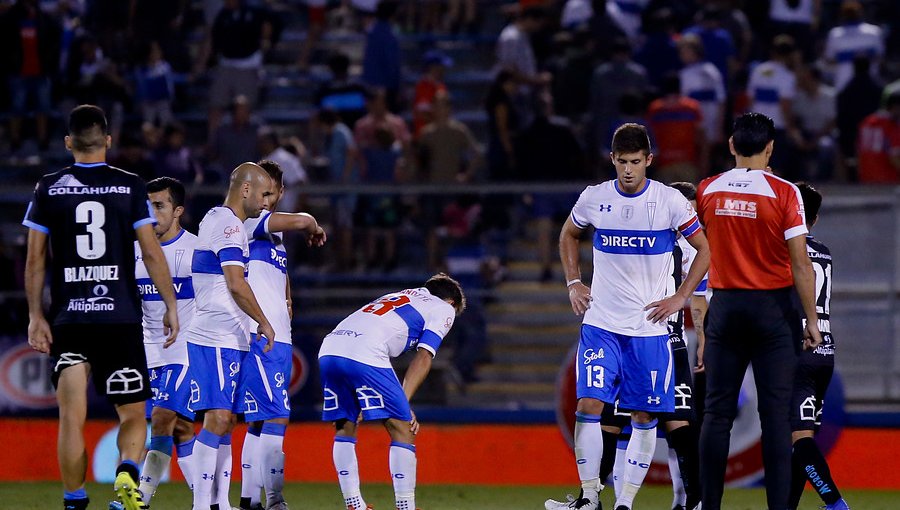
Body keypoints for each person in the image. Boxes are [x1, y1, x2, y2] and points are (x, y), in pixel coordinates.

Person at [546, 123, 710, 510]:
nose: (629, 170)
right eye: (622, 162)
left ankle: (625, 503)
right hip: (602, 324)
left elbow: (704, 250)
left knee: (644, 414)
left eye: (636, 162)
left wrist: (681, 298)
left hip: (649, 330)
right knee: (588, 405)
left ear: (649, 160)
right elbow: (568, 234)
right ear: (613, 160)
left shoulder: (670, 202)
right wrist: (573, 282)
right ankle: (588, 497)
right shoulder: (594, 198)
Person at [23, 104, 179, 510]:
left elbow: (36, 258)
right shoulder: (129, 186)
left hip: (70, 319)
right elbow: (150, 252)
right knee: (131, 414)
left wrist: (36, 316)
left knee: (70, 417)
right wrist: (170, 305)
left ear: (68, 142)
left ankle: (75, 499)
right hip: (120, 318)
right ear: (108, 141)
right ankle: (128, 467)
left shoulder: (49, 187)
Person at [695, 112, 823, 510]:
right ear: (770, 148)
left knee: (716, 415)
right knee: (775, 420)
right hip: (773, 310)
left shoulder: (706, 190)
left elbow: (695, 253)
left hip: (726, 307)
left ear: (731, 145)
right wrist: (811, 319)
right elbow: (801, 262)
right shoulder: (786, 193)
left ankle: (708, 506)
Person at [595, 182, 707, 510]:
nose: (687, 217)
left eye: (692, 211)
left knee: (677, 423)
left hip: (667, 342)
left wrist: (702, 340)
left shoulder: (690, 250)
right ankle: (601, 499)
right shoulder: (655, 241)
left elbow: (698, 300)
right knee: (613, 420)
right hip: (630, 338)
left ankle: (690, 501)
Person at [319, 274, 465, 510]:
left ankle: (354, 504)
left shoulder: (400, 295)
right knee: (403, 427)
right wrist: (404, 405)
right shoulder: (443, 308)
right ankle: (405, 506)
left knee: (345, 424)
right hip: (364, 351)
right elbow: (424, 356)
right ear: (451, 303)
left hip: (330, 348)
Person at [181, 162, 278, 510]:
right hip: (214, 335)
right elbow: (236, 284)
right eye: (265, 193)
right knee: (218, 419)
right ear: (247, 189)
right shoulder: (228, 226)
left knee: (227, 421)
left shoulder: (220, 219)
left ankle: (219, 503)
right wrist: (264, 322)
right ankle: (201, 505)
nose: (268, 201)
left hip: (229, 336)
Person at [238, 160, 326, 510]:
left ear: (280, 192)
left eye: (271, 192)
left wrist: (287, 295)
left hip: (277, 333)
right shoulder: (249, 221)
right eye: (261, 191)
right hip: (261, 334)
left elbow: (276, 275)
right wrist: (313, 224)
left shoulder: (275, 236)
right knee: (276, 415)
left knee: (260, 419)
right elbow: (302, 220)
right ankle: (273, 500)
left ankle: (249, 500)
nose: (265, 199)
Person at [787, 183, 851, 510]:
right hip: (824, 351)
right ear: (816, 217)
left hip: (797, 348)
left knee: (799, 440)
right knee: (801, 437)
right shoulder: (823, 250)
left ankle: (835, 503)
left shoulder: (784, 249)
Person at [135, 177, 198, 505]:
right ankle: (206, 499)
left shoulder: (197, 251)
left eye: (159, 206)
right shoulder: (135, 250)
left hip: (185, 352)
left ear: (178, 211)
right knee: (181, 430)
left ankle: (139, 499)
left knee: (161, 419)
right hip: (149, 354)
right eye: (148, 206)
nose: (151, 213)